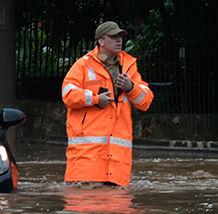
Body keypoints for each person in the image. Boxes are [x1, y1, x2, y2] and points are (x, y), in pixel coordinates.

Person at [61, 21, 154, 187]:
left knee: (117, 209)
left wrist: (130, 87)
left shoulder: (129, 67)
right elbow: (68, 95)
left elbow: (145, 101)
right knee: (84, 209)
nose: (119, 40)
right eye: (113, 37)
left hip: (117, 165)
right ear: (101, 41)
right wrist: (96, 99)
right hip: (86, 163)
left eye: (120, 36)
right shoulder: (83, 65)